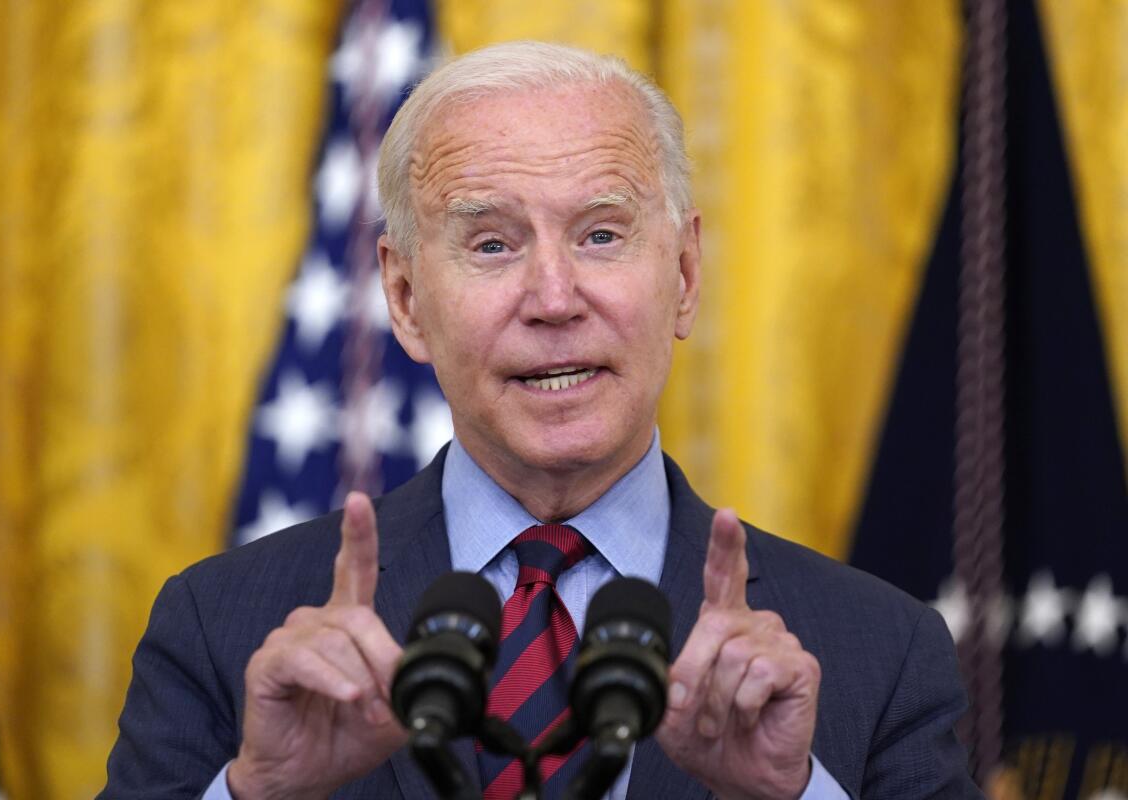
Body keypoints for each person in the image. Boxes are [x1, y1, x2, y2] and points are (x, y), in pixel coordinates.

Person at [100, 41, 981, 799]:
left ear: (682, 273)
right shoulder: (221, 628)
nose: (554, 298)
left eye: (601, 235)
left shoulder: (883, 652)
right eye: (492, 244)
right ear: (404, 300)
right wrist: (259, 792)